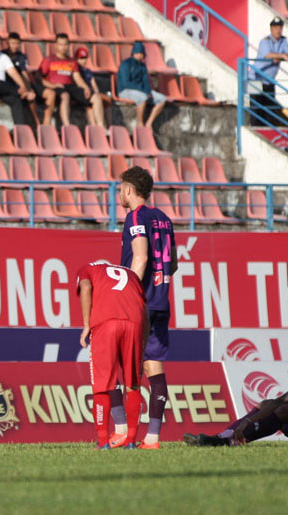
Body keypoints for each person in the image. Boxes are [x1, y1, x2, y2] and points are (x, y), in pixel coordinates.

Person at [106, 166, 176, 450]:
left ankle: (122, 431)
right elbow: (173, 263)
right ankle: (153, 438)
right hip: (161, 299)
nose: (118, 194)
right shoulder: (165, 218)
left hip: (140, 301)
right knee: (154, 369)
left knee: (115, 363)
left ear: (130, 191)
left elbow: (141, 257)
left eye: (121, 189)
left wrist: (127, 293)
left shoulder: (136, 216)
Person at [76, 260, 148, 450]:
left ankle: (103, 442)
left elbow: (85, 288)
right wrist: (143, 341)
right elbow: (145, 310)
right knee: (133, 384)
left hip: (106, 322)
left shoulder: (88, 268)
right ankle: (131, 441)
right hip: (134, 322)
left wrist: (86, 325)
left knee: (101, 385)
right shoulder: (131, 274)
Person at [38, 33, 92, 127]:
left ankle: (98, 126)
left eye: (65, 44)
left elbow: (77, 77)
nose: (63, 47)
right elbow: (39, 76)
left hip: (70, 87)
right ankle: (67, 125)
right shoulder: (49, 60)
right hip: (56, 87)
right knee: (65, 95)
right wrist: (52, 85)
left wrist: (86, 87)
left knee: (93, 97)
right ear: (56, 45)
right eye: (61, 44)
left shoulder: (71, 61)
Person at [249, 17, 288, 127]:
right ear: (271, 29)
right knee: (256, 108)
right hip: (256, 78)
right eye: (275, 27)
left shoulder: (283, 41)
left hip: (269, 80)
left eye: (280, 27)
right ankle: (256, 130)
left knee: (269, 108)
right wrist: (281, 55)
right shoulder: (265, 41)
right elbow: (267, 54)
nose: (278, 30)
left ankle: (266, 131)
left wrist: (279, 56)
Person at [117, 42, 168, 129]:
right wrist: (143, 91)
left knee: (162, 99)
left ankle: (149, 123)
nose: (141, 56)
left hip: (140, 90)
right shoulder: (125, 64)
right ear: (134, 53)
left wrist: (147, 91)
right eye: (139, 53)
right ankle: (140, 124)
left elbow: (145, 81)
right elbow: (126, 83)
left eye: (142, 54)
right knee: (142, 97)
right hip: (125, 90)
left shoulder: (142, 66)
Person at [3, 32, 41, 126]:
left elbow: (24, 73)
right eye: (13, 43)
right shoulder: (2, 55)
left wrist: (28, 88)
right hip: (6, 83)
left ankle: (36, 122)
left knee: (31, 95)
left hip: (19, 83)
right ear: (8, 43)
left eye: (17, 43)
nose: (15, 46)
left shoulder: (21, 56)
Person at [74, 47, 107, 129]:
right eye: (81, 58)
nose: (84, 61)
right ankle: (99, 126)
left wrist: (96, 91)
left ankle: (106, 125)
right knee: (92, 102)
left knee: (107, 101)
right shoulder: (76, 70)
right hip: (82, 93)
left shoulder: (88, 71)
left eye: (85, 58)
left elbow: (94, 84)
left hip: (90, 92)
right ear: (76, 59)